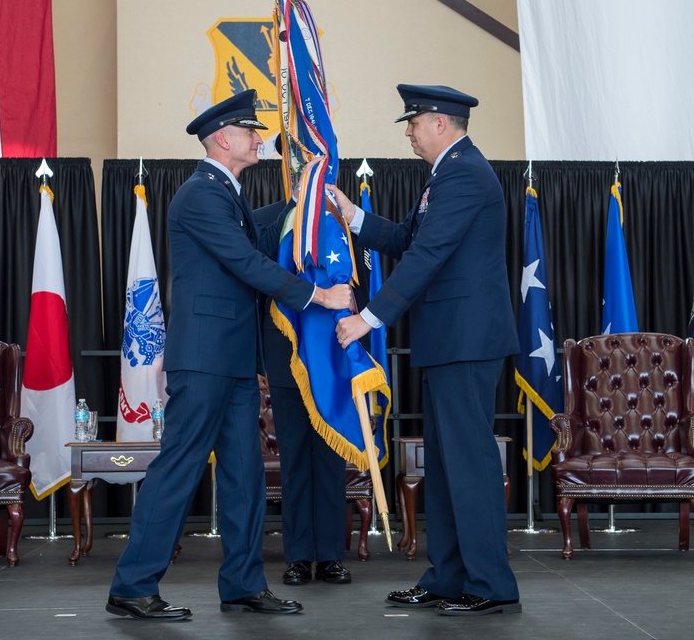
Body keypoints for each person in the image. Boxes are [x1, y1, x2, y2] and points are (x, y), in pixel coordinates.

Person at [106, 90, 353, 621]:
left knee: (243, 475)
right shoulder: (202, 195)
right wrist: (319, 296)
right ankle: (132, 584)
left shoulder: (228, 193)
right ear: (223, 139)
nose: (258, 139)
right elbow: (246, 261)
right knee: (178, 467)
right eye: (250, 132)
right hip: (205, 358)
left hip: (235, 361)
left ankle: (243, 584)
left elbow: (263, 243)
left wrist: (307, 198)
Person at [331, 84, 521, 616]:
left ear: (440, 123)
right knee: (444, 463)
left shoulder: (463, 172)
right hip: (449, 340)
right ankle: (447, 578)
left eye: (413, 124)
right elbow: (407, 240)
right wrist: (352, 216)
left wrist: (368, 319)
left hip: (466, 340)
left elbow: (427, 255)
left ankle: (490, 584)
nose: (409, 133)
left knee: (470, 462)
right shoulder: (445, 175)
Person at [254, 200, 352, 588]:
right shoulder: (267, 219)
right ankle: (297, 557)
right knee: (294, 457)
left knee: (328, 459)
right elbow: (260, 281)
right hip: (283, 352)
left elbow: (354, 283)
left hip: (330, 353)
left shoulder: (337, 218)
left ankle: (329, 556)